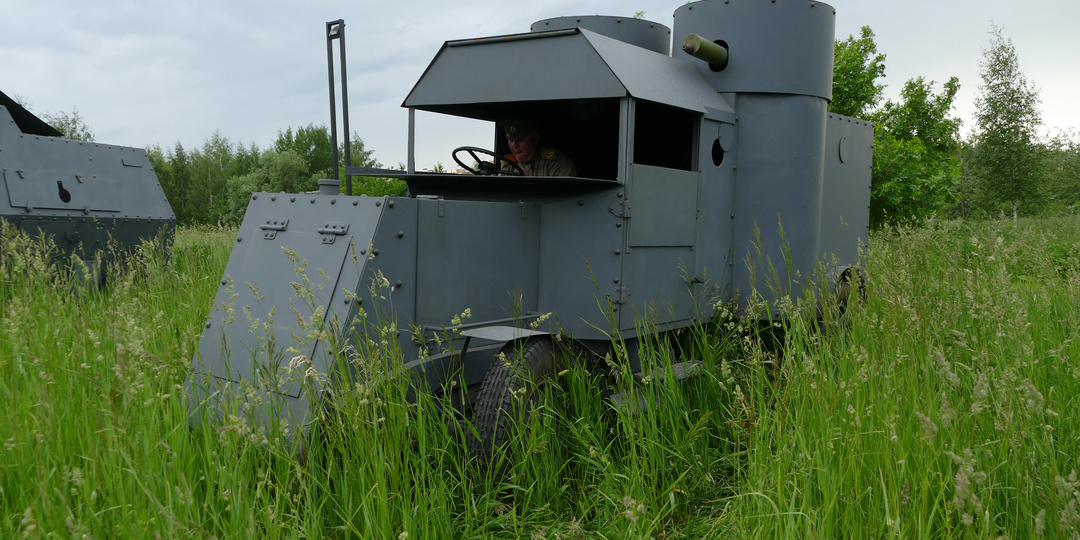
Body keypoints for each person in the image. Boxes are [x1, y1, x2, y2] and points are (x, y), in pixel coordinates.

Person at [499, 118, 577, 177]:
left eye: (519, 140)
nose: (514, 145)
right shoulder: (509, 164)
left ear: (535, 138)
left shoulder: (556, 163)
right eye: (511, 140)